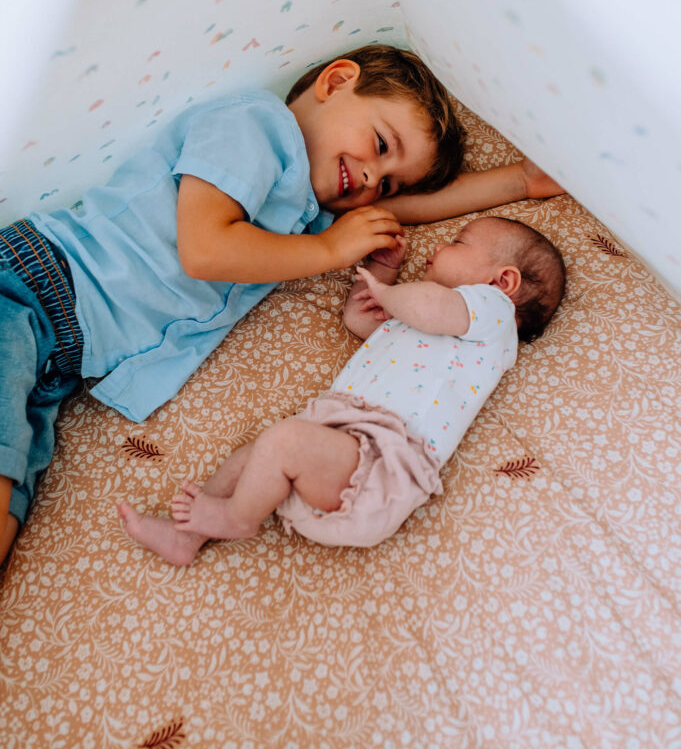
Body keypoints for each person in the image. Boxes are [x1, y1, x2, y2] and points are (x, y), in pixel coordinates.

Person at [0, 43, 562, 563]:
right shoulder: (254, 127)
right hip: (35, 288)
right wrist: (326, 249)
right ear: (336, 82)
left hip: (60, 364)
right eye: (381, 146)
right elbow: (205, 249)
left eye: (386, 184)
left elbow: (412, 209)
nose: (370, 178)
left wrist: (517, 181)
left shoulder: (308, 212)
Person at [118, 214, 566, 560]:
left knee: (282, 441)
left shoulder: (492, 315)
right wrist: (383, 274)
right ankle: (186, 537)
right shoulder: (426, 318)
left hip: (382, 463)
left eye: (458, 242)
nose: (437, 247)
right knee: (254, 455)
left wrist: (392, 294)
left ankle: (237, 518)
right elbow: (359, 320)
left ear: (503, 281)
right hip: (338, 445)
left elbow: (429, 305)